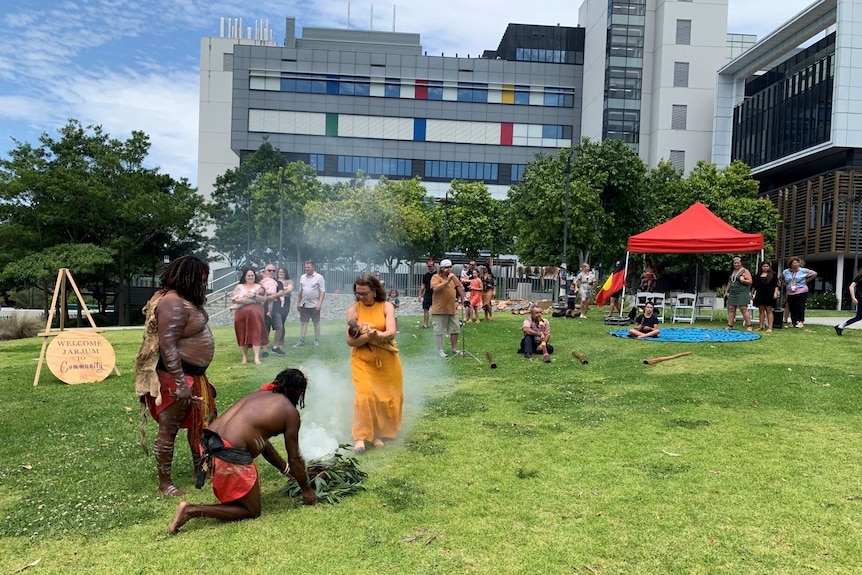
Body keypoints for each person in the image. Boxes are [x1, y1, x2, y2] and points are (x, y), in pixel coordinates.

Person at [168, 368, 316, 534]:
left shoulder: (259, 395)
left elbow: (262, 442)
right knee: (252, 510)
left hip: (208, 445)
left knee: (248, 498)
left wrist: (284, 468)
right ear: (299, 392)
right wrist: (306, 490)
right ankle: (191, 510)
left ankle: (199, 506)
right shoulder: (290, 413)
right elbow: (295, 458)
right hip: (227, 454)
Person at [135, 255, 217, 497]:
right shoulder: (172, 303)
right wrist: (181, 383)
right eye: (201, 279)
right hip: (177, 376)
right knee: (168, 429)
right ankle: (165, 483)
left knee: (199, 425)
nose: (204, 284)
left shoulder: (185, 300)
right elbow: (167, 345)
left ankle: (198, 470)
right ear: (188, 278)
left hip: (194, 375)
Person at [346, 275, 403, 454]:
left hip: (387, 359)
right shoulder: (353, 310)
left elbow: (391, 332)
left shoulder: (386, 306)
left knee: (385, 396)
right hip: (362, 359)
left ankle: (377, 433)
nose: (361, 297)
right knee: (364, 394)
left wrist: (378, 335)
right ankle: (361, 438)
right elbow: (350, 341)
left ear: (375, 290)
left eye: (364, 293)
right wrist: (368, 336)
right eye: (358, 293)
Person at [430, 258, 466, 358]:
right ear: (441, 268)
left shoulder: (453, 278)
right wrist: (447, 281)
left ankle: (454, 348)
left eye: (450, 267)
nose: (449, 269)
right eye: (446, 267)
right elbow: (435, 288)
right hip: (439, 309)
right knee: (439, 331)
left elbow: (461, 289)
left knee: (455, 329)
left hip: (452, 309)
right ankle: (440, 350)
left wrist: (458, 301)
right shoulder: (436, 277)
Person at [230, 268, 267, 364]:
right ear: (245, 277)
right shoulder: (239, 286)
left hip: (256, 313)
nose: (251, 277)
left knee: (256, 333)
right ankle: (244, 357)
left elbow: (264, 299)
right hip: (241, 313)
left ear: (255, 276)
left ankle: (256, 358)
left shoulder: (259, 287)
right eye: (248, 275)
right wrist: (247, 301)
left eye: (252, 275)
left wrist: (254, 297)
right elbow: (234, 299)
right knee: (243, 333)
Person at [295, 259, 326, 347]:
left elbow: (322, 292)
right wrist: (298, 303)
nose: (307, 269)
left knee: (316, 322)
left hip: (315, 304)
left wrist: (319, 304)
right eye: (305, 267)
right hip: (304, 303)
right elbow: (300, 291)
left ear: (313, 267)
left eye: (308, 267)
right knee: (303, 322)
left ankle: (317, 340)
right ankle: (301, 340)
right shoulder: (302, 277)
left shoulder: (319, 277)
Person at [781, 256, 817, 328]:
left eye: (797, 262)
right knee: (792, 306)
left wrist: (806, 281)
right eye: (794, 263)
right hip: (790, 291)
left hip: (801, 289)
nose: (796, 264)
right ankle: (794, 321)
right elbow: (780, 277)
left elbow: (814, 273)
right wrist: (785, 284)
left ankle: (801, 321)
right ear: (791, 264)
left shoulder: (803, 270)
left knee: (800, 306)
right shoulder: (786, 272)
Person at [725, 257, 753, 331]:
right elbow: (730, 282)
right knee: (731, 308)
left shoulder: (745, 271)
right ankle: (730, 325)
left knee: (743, 308)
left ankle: (749, 326)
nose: (736, 264)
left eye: (738, 263)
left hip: (742, 292)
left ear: (741, 263)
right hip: (733, 292)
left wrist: (743, 280)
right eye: (735, 263)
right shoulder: (732, 271)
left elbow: (750, 281)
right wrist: (726, 291)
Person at [751, 261, 780, 332]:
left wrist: (775, 293)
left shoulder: (773, 274)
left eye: (767, 266)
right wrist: (752, 292)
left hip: (769, 294)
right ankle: (761, 326)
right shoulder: (758, 275)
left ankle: (770, 327)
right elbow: (754, 285)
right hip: (760, 294)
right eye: (764, 266)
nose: (765, 267)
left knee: (769, 311)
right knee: (761, 311)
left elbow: (776, 285)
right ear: (761, 267)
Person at [259, 264, 280, 357]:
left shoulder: (277, 282)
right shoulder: (260, 282)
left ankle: (275, 347)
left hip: (276, 309)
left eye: (273, 271)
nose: (271, 272)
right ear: (265, 271)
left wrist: (272, 296)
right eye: (269, 270)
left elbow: (281, 292)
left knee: (279, 327)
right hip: (262, 309)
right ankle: (265, 350)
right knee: (265, 330)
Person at [272, 267, 294, 354]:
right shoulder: (275, 281)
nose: (281, 273)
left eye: (283, 272)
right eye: (279, 272)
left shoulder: (289, 281)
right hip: (276, 302)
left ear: (286, 273)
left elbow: (289, 289)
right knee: (276, 322)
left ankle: (281, 342)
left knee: (282, 322)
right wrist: (281, 291)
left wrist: (280, 292)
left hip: (286, 302)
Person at [835, 267, 862, 335]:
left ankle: (840, 326)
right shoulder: (859, 276)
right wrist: (853, 297)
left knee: (858, 317)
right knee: (858, 317)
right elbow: (851, 286)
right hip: (861, 298)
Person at [418, 260, 436, 329]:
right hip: (427, 294)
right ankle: (425, 324)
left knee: (435, 310)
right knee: (425, 309)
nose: (429, 268)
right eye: (428, 266)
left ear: (433, 266)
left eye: (431, 266)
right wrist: (420, 295)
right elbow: (423, 285)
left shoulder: (437, 275)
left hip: (435, 294)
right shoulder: (426, 275)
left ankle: (435, 324)